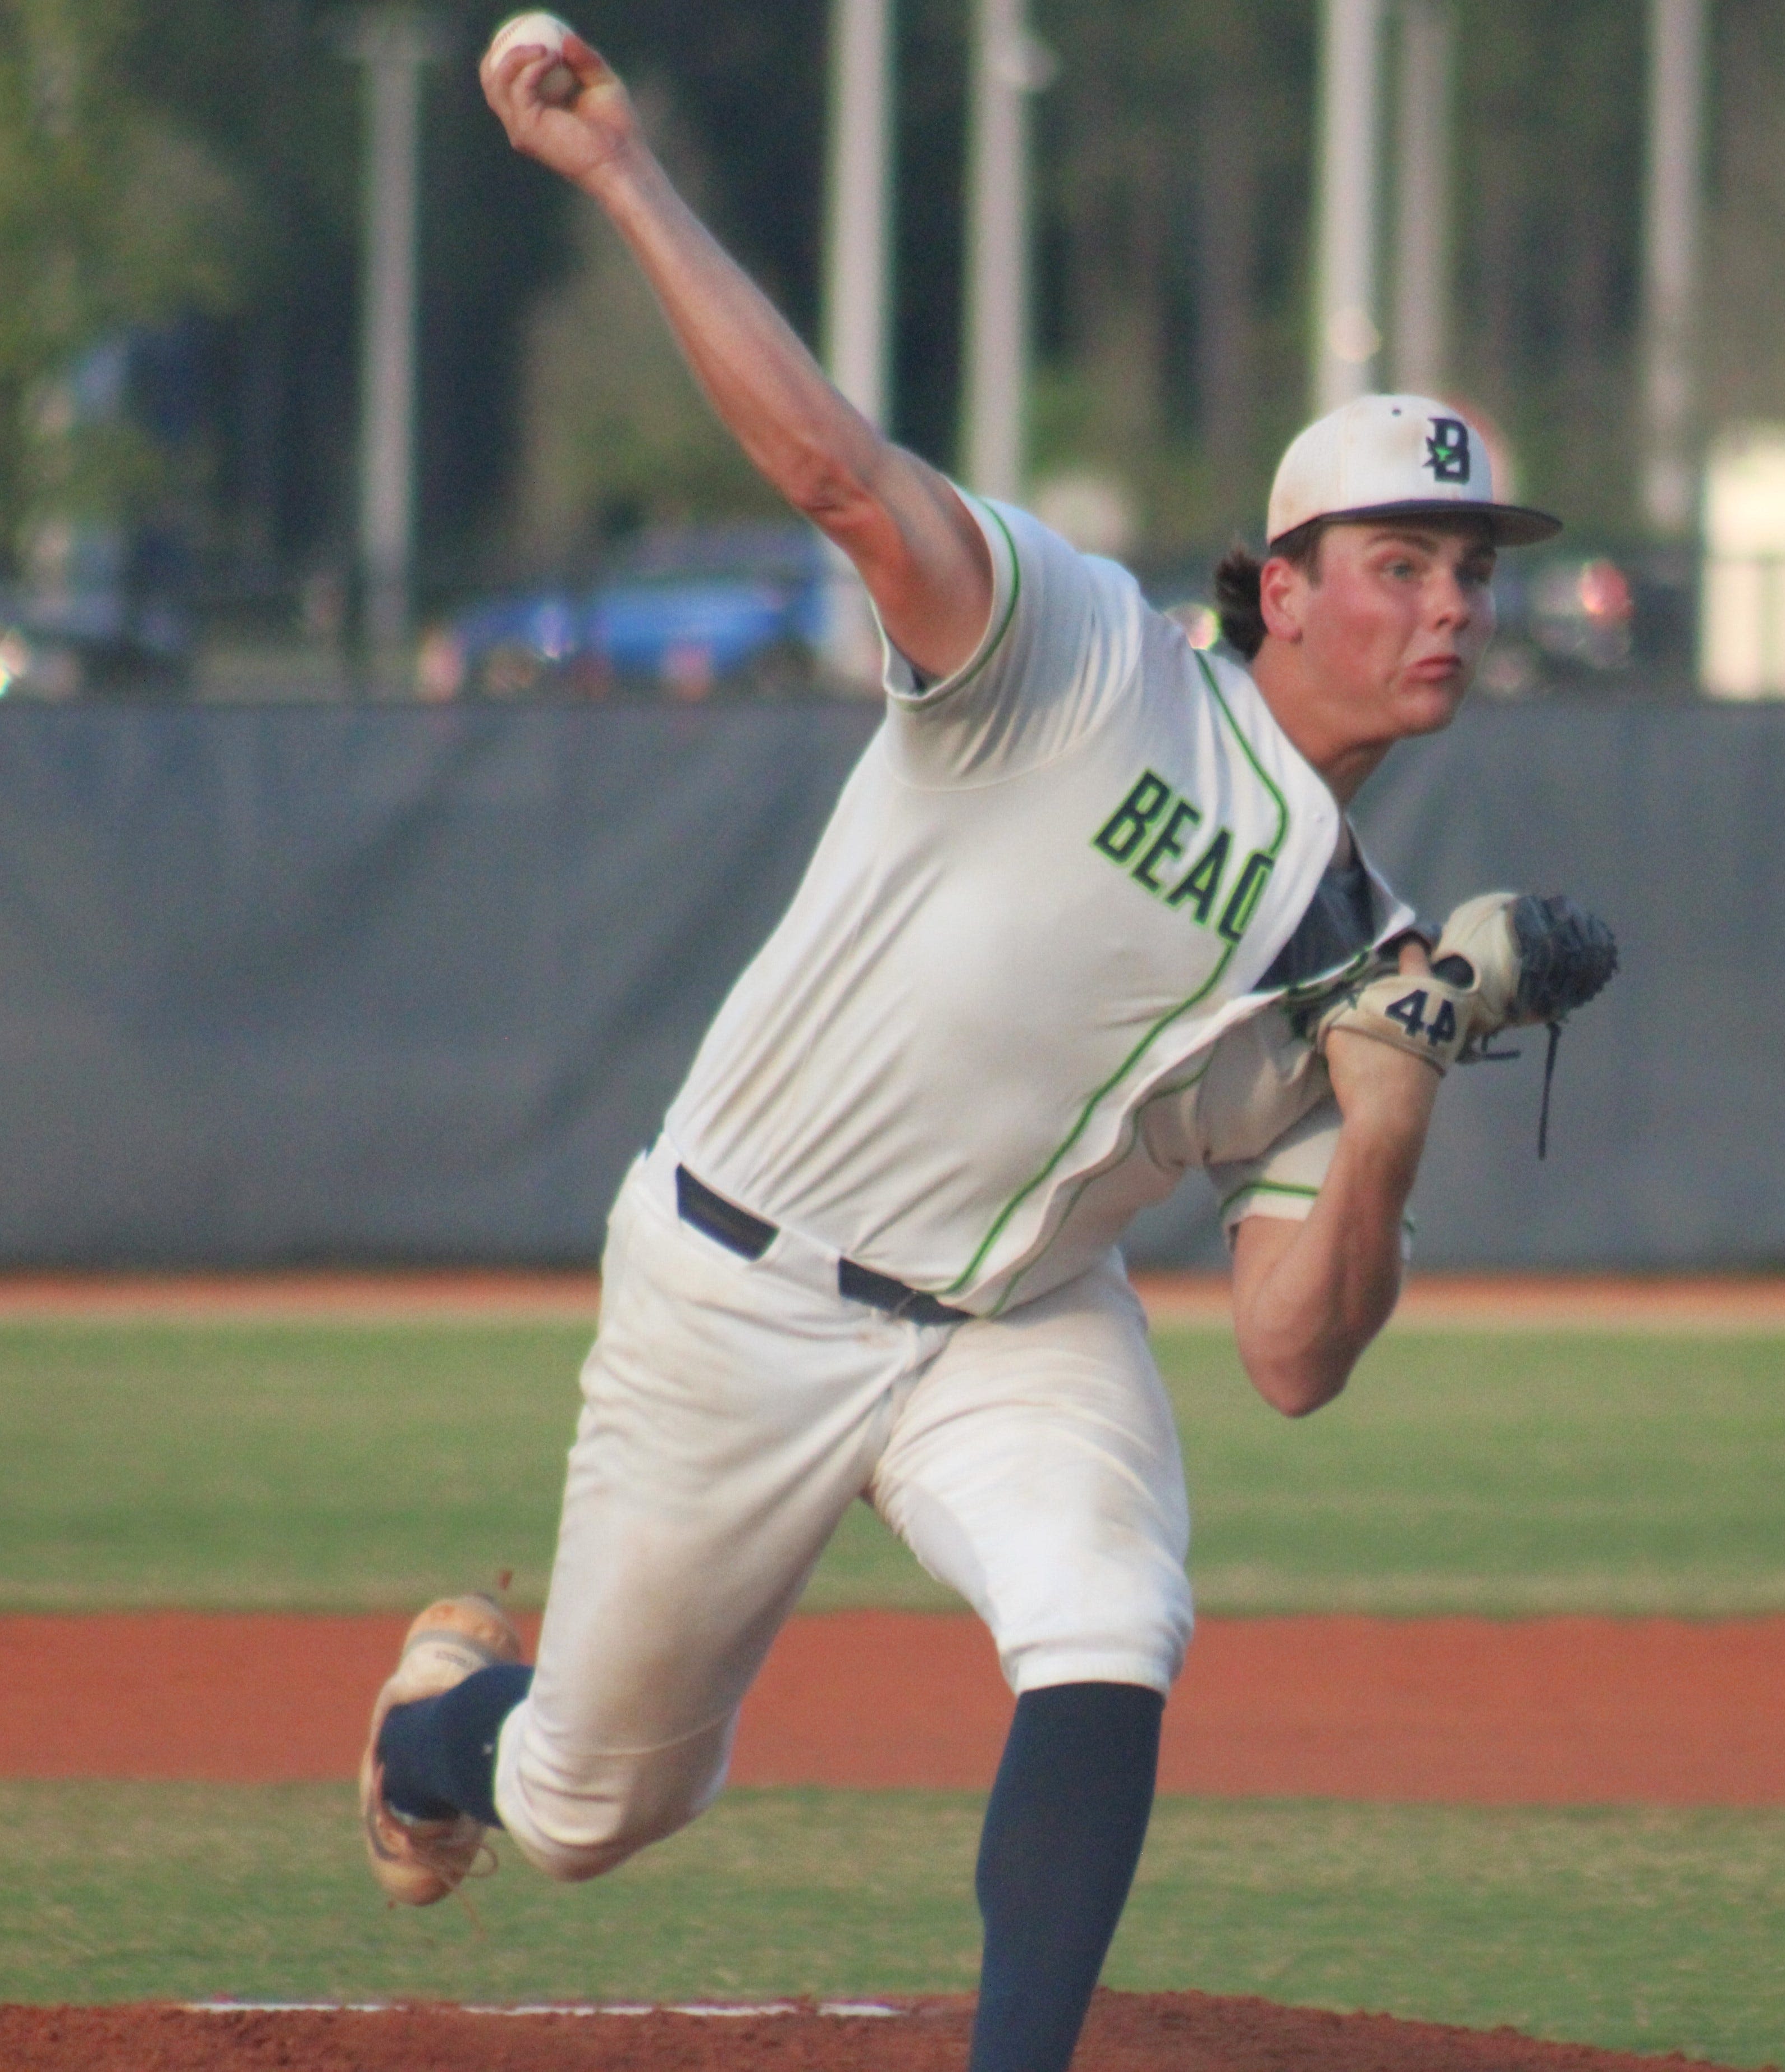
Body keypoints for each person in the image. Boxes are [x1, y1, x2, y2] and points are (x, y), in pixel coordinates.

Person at [354, 22, 1614, 2072]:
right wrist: (624, 182)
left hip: (1011, 1322)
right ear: (1279, 588)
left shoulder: (1370, 960)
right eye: (1400, 565)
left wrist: (1385, 1107)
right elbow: (837, 475)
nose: (1451, 606)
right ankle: (437, 1727)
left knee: (1112, 1604)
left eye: (1469, 572)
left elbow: (1293, 1354)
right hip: (737, 1282)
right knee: (591, 1807)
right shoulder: (1077, 650)